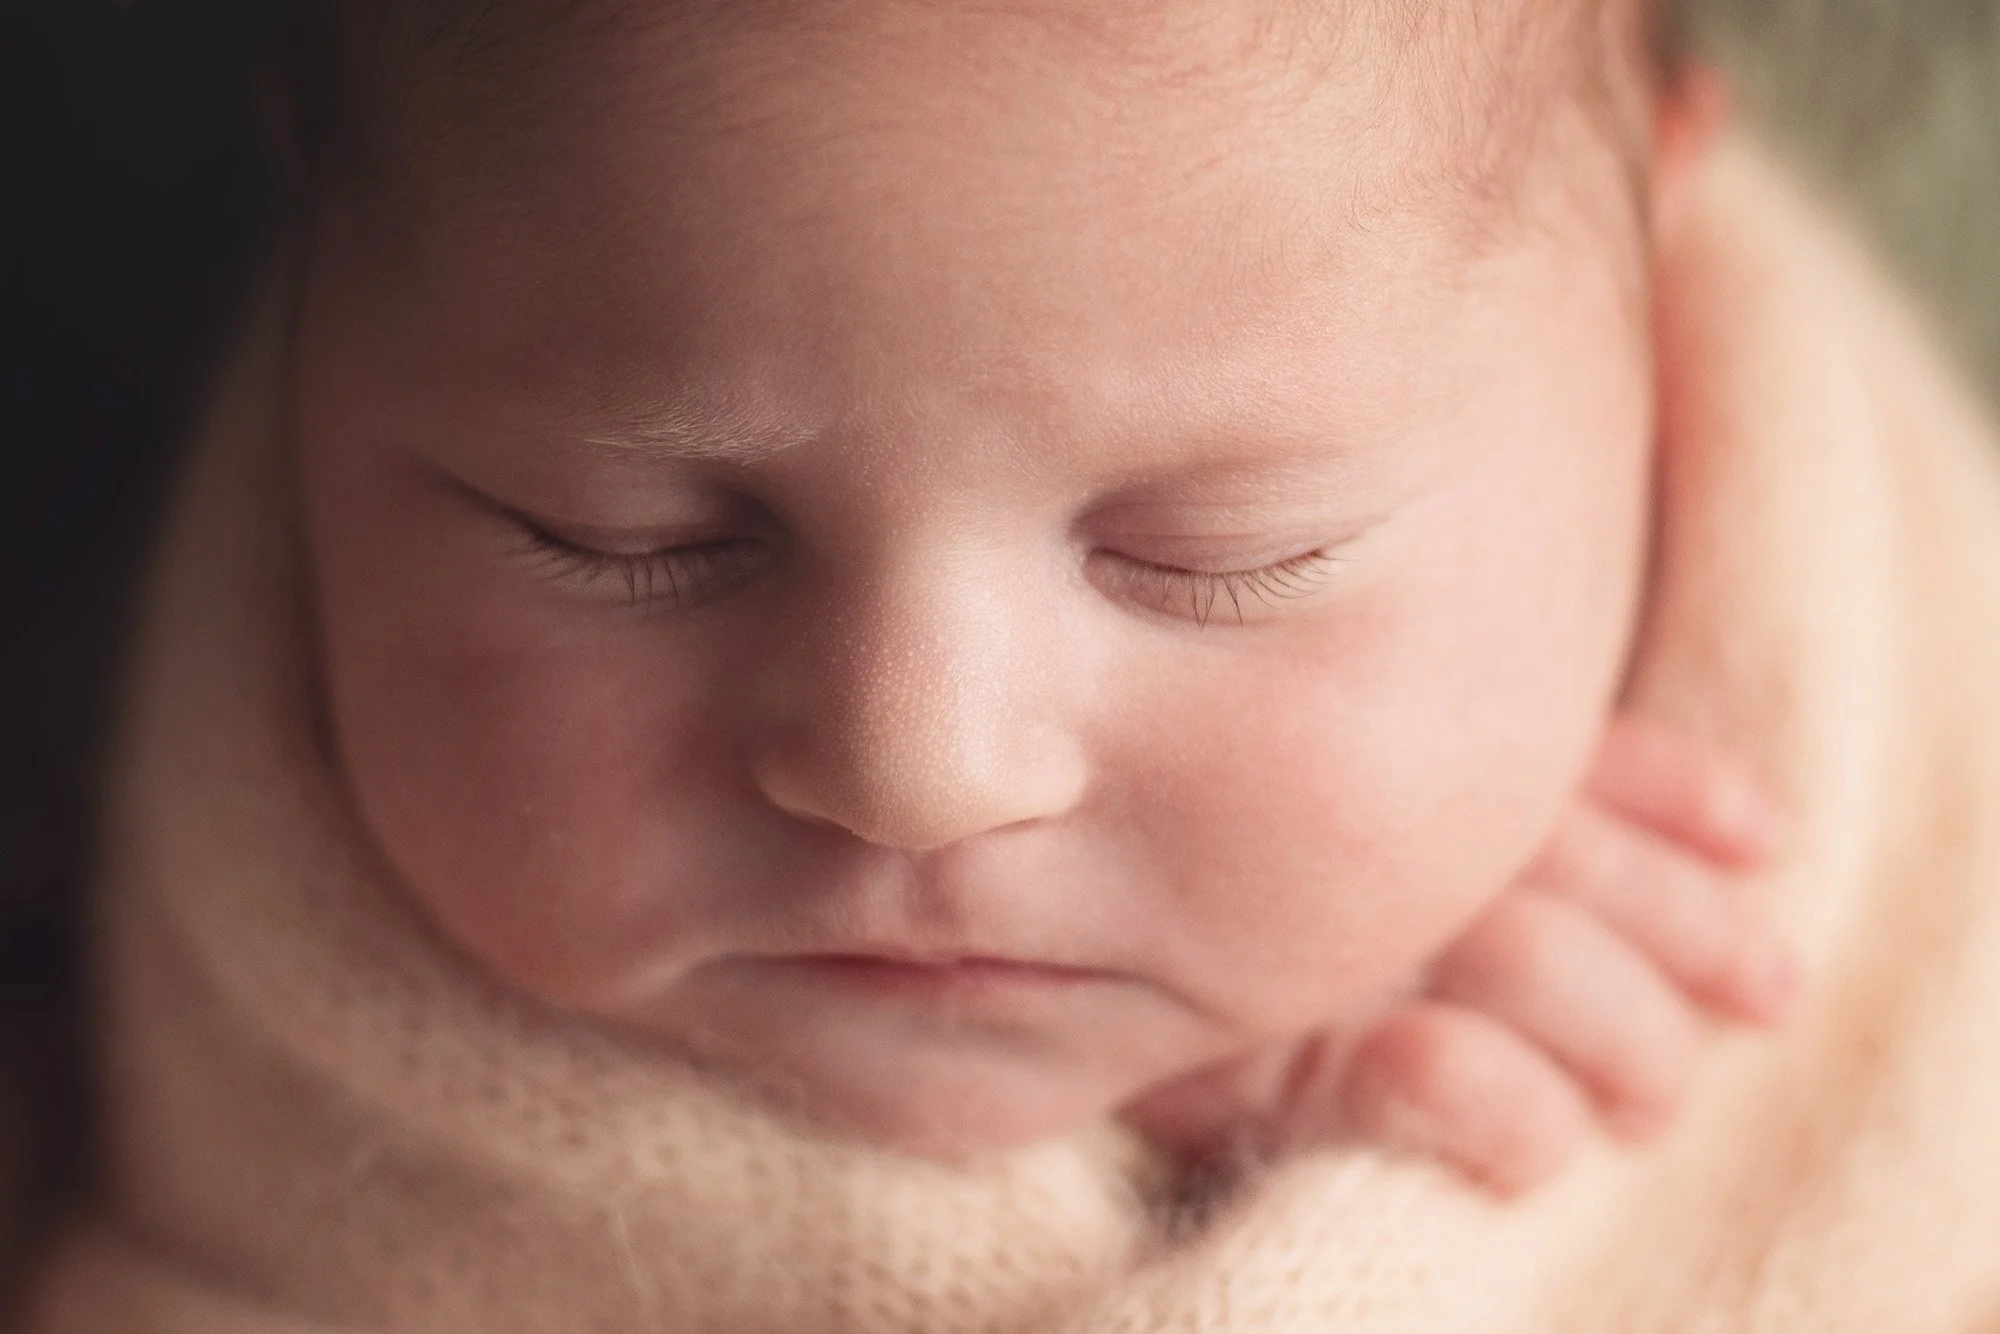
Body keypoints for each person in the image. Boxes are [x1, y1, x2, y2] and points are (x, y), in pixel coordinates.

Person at [21, 0, 2000, 1330]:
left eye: (1218, 554)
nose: (914, 766)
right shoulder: (149, 1102)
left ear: (1640, 331)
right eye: (629, 542)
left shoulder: (1892, 873)